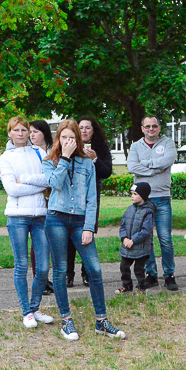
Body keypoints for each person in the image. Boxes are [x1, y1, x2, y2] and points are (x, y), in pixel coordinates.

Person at [43, 119, 125, 341]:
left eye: (72, 137)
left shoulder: (87, 163)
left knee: (95, 270)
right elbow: (55, 184)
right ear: (59, 139)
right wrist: (65, 158)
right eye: (64, 137)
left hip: (80, 221)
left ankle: (102, 320)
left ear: (78, 139)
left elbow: (92, 199)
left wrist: (89, 227)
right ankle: (66, 320)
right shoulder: (50, 161)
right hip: (57, 219)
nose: (68, 141)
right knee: (60, 270)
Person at [0, 116, 54, 329]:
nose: (21, 134)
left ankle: (35, 306)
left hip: (40, 215)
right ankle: (26, 311)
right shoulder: (5, 158)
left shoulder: (40, 153)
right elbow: (12, 189)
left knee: (42, 267)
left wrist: (27, 180)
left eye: (25, 130)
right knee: (21, 265)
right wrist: (37, 184)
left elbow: (49, 180)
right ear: (10, 133)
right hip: (17, 217)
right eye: (17, 130)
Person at [127, 115, 178, 290]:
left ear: (159, 127)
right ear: (142, 128)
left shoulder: (168, 143)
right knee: (146, 239)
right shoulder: (135, 146)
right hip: (143, 200)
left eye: (154, 126)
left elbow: (168, 160)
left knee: (165, 239)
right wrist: (156, 169)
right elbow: (132, 167)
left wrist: (146, 164)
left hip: (163, 198)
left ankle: (169, 275)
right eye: (147, 126)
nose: (151, 129)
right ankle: (152, 275)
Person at [66, 116, 113, 288]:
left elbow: (106, 172)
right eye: (81, 127)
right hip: (71, 196)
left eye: (88, 128)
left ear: (94, 131)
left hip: (91, 196)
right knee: (69, 238)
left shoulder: (100, 148)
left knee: (87, 234)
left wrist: (94, 159)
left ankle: (87, 273)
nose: (84, 131)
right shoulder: (70, 146)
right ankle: (68, 275)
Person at [28, 120, 54, 295]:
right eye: (30, 132)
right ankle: (39, 278)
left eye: (35, 132)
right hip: (37, 201)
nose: (31, 135)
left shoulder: (54, 151)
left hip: (55, 200)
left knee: (53, 240)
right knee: (39, 240)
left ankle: (48, 278)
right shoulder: (29, 153)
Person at [116, 182, 156, 295]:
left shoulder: (148, 212)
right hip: (127, 246)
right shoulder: (129, 210)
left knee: (139, 269)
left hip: (141, 247)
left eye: (135, 194)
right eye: (132, 194)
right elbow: (122, 226)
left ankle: (141, 286)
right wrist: (124, 239)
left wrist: (133, 240)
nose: (132, 196)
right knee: (124, 266)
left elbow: (146, 231)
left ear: (143, 196)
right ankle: (126, 285)